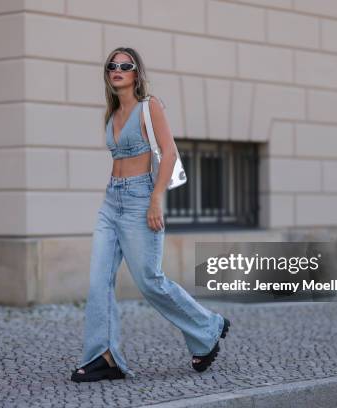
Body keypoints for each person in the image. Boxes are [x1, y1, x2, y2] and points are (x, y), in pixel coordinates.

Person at [70, 47, 230, 383]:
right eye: (112, 65)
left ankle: (208, 328)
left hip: (141, 198)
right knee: (99, 281)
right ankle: (104, 356)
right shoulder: (111, 114)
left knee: (149, 281)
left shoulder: (149, 106)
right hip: (111, 201)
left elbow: (169, 151)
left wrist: (156, 198)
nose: (117, 69)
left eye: (124, 65)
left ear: (135, 73)